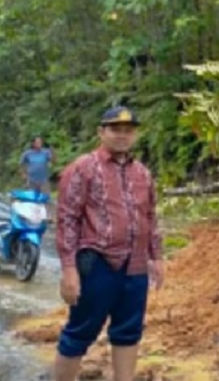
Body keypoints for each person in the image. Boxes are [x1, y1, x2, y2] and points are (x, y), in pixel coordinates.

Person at [54, 106, 164, 381]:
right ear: (101, 132)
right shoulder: (82, 168)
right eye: (115, 130)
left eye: (128, 131)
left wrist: (157, 258)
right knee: (80, 331)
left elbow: (150, 216)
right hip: (97, 262)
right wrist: (69, 270)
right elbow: (67, 219)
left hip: (135, 265)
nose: (122, 136)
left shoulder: (143, 173)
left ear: (135, 135)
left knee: (128, 332)